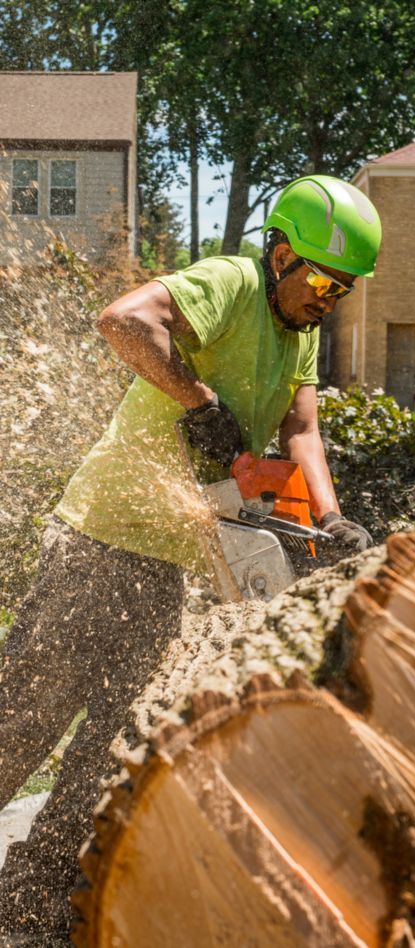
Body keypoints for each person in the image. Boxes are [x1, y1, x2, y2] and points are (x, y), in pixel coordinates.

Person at [0, 174, 381, 941]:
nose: (328, 298)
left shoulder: (299, 331)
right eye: (322, 280)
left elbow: (300, 432)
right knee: (24, 720)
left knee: (109, 742)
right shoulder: (233, 282)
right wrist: (198, 401)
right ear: (280, 254)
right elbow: (123, 319)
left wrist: (332, 517)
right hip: (101, 538)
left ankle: (28, 903)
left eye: (342, 289)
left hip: (170, 558)